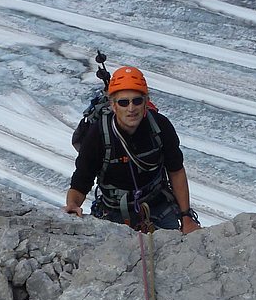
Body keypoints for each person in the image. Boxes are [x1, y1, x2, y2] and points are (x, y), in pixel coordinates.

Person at [64, 65, 201, 235]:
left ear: (145, 102)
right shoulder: (99, 134)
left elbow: (176, 171)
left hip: (157, 206)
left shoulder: (160, 126)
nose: (131, 108)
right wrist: (73, 205)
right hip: (114, 212)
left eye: (137, 101)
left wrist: (186, 216)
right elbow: (81, 181)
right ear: (113, 105)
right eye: (123, 102)